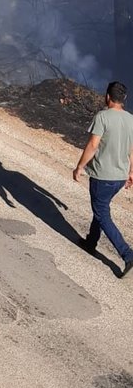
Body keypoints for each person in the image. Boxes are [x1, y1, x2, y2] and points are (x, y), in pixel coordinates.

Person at [73, 80, 133, 279]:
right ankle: (91, 242)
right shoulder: (130, 120)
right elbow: (131, 149)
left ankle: (127, 254)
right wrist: (131, 172)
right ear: (124, 99)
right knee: (101, 208)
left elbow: (92, 145)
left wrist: (80, 167)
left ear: (107, 97)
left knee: (102, 214)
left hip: (102, 176)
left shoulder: (102, 117)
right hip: (120, 177)